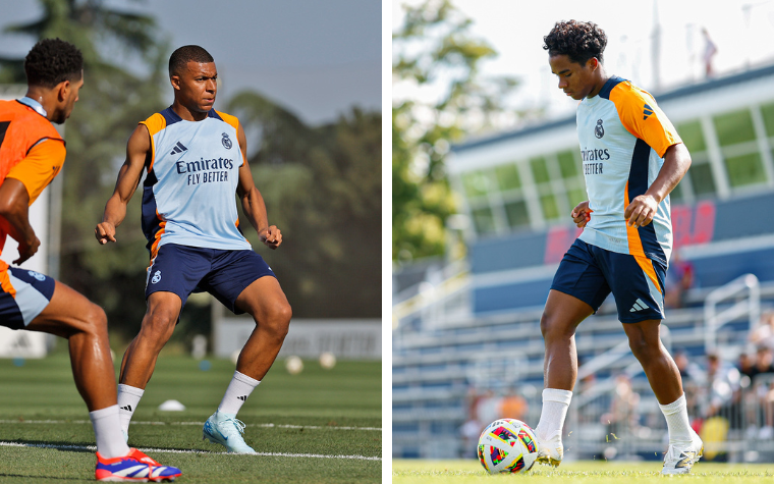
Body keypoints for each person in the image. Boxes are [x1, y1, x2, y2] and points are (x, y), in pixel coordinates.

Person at [95, 45, 292, 454]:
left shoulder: (231, 128)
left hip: (229, 248)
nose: (212, 87)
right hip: (178, 244)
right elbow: (122, 191)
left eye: (215, 78)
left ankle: (223, 419)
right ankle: (118, 430)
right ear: (176, 81)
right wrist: (110, 221)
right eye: (202, 79)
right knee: (161, 317)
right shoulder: (150, 131)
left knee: (278, 314)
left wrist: (263, 226)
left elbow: (249, 190)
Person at [0, 39, 180, 481]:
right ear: (63, 89)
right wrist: (27, 237)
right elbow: (8, 201)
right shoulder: (45, 137)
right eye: (78, 92)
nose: (77, 100)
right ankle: (114, 457)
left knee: (83, 318)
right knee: (90, 319)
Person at [536, 20, 701, 475]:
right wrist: (595, 203)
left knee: (645, 345)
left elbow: (677, 154)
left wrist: (652, 197)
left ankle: (684, 440)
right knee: (554, 322)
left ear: (592, 64)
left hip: (636, 239)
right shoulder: (584, 106)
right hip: (595, 236)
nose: (560, 84)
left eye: (566, 73)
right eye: (555, 75)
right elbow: (618, 167)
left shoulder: (628, 97)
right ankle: (548, 439)